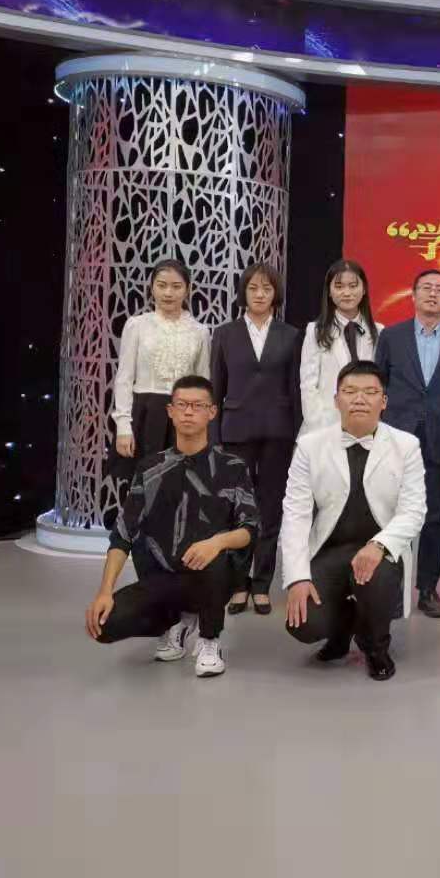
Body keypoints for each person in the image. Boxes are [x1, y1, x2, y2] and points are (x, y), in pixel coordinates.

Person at [85, 376, 257, 679]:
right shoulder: (150, 468)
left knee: (215, 557)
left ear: (212, 412)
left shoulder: (232, 467)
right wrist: (104, 591)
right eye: (182, 405)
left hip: (213, 575)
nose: (189, 412)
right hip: (164, 577)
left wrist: (216, 543)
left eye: (197, 406)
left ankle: (209, 639)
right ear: (171, 411)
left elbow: (249, 529)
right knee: (104, 625)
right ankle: (177, 621)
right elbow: (122, 535)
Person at [280, 360, 426, 682]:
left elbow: (413, 511)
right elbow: (295, 515)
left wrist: (379, 545)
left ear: (383, 401)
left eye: (370, 392)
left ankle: (376, 646)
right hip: (330, 549)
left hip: (380, 553)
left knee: (375, 578)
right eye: (350, 391)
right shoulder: (309, 446)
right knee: (302, 623)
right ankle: (342, 629)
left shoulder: (406, 446)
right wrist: (297, 578)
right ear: (336, 400)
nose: (359, 399)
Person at [374, 269, 440, 619]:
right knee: (387, 514)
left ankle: (427, 589)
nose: (433, 294)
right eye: (426, 288)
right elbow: (378, 384)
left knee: (434, 517)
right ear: (413, 295)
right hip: (395, 438)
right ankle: (388, 586)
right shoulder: (392, 336)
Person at [209, 261, 302, 616]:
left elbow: (295, 390)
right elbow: (216, 388)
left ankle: (261, 584)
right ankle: (238, 585)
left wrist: (298, 434)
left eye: (266, 288)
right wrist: (214, 437)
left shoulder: (291, 335)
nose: (260, 294)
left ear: (276, 294)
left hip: (279, 433)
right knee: (235, 508)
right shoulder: (225, 333)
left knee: (270, 508)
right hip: (235, 431)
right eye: (253, 288)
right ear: (243, 293)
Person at [109, 259, 211, 504]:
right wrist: (123, 426)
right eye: (162, 285)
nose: (168, 293)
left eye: (176, 286)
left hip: (183, 415)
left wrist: (201, 426)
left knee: (182, 492)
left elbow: (203, 382)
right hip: (145, 415)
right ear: (152, 287)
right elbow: (124, 379)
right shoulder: (137, 325)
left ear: (187, 290)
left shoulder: (200, 331)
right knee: (142, 491)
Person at [299, 258, 380, 436]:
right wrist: (318, 427)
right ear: (329, 291)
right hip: (324, 427)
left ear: (364, 289)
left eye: (353, 286)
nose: (346, 293)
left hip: (368, 427)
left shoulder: (379, 332)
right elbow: (308, 385)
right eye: (339, 286)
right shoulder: (316, 331)